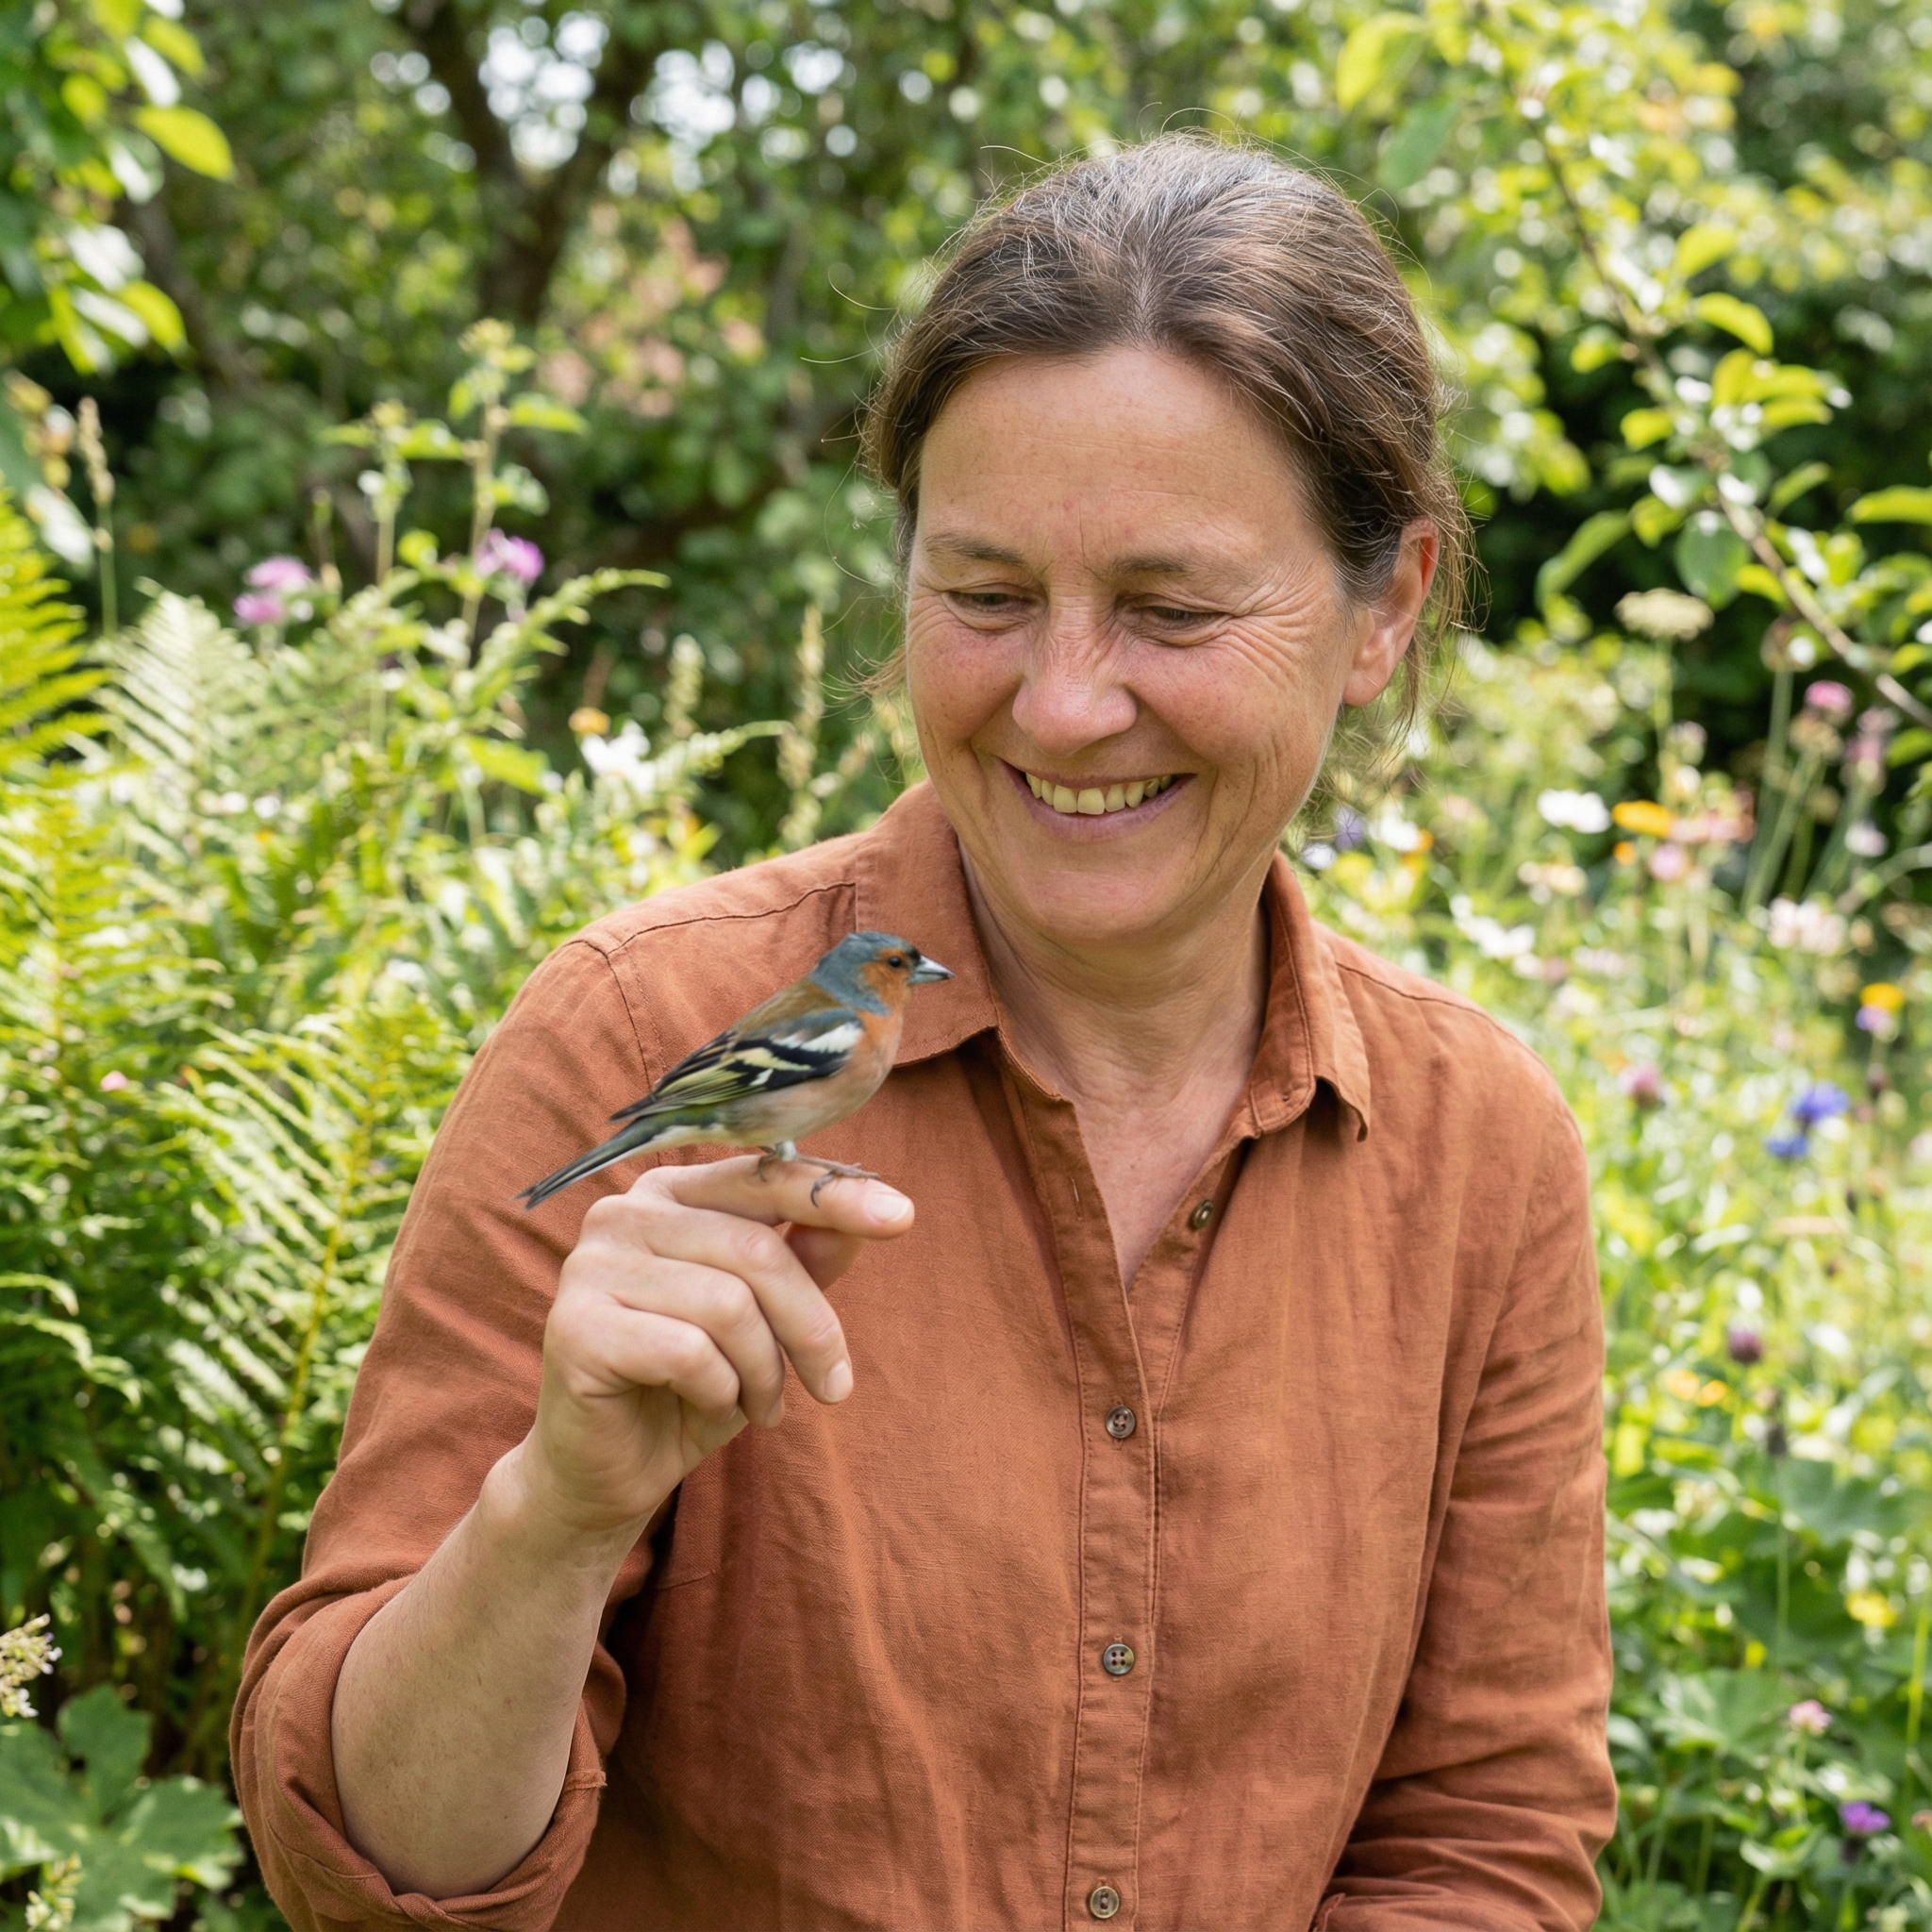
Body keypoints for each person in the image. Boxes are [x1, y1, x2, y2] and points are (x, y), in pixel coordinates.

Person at [234, 133, 1614, 1932]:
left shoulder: (1476, 1148)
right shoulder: (638, 1029)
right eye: (979, 595)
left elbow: (1482, 1846)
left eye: (1172, 607)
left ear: (1388, 606)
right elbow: (362, 1870)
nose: (1060, 698)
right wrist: (553, 1517)